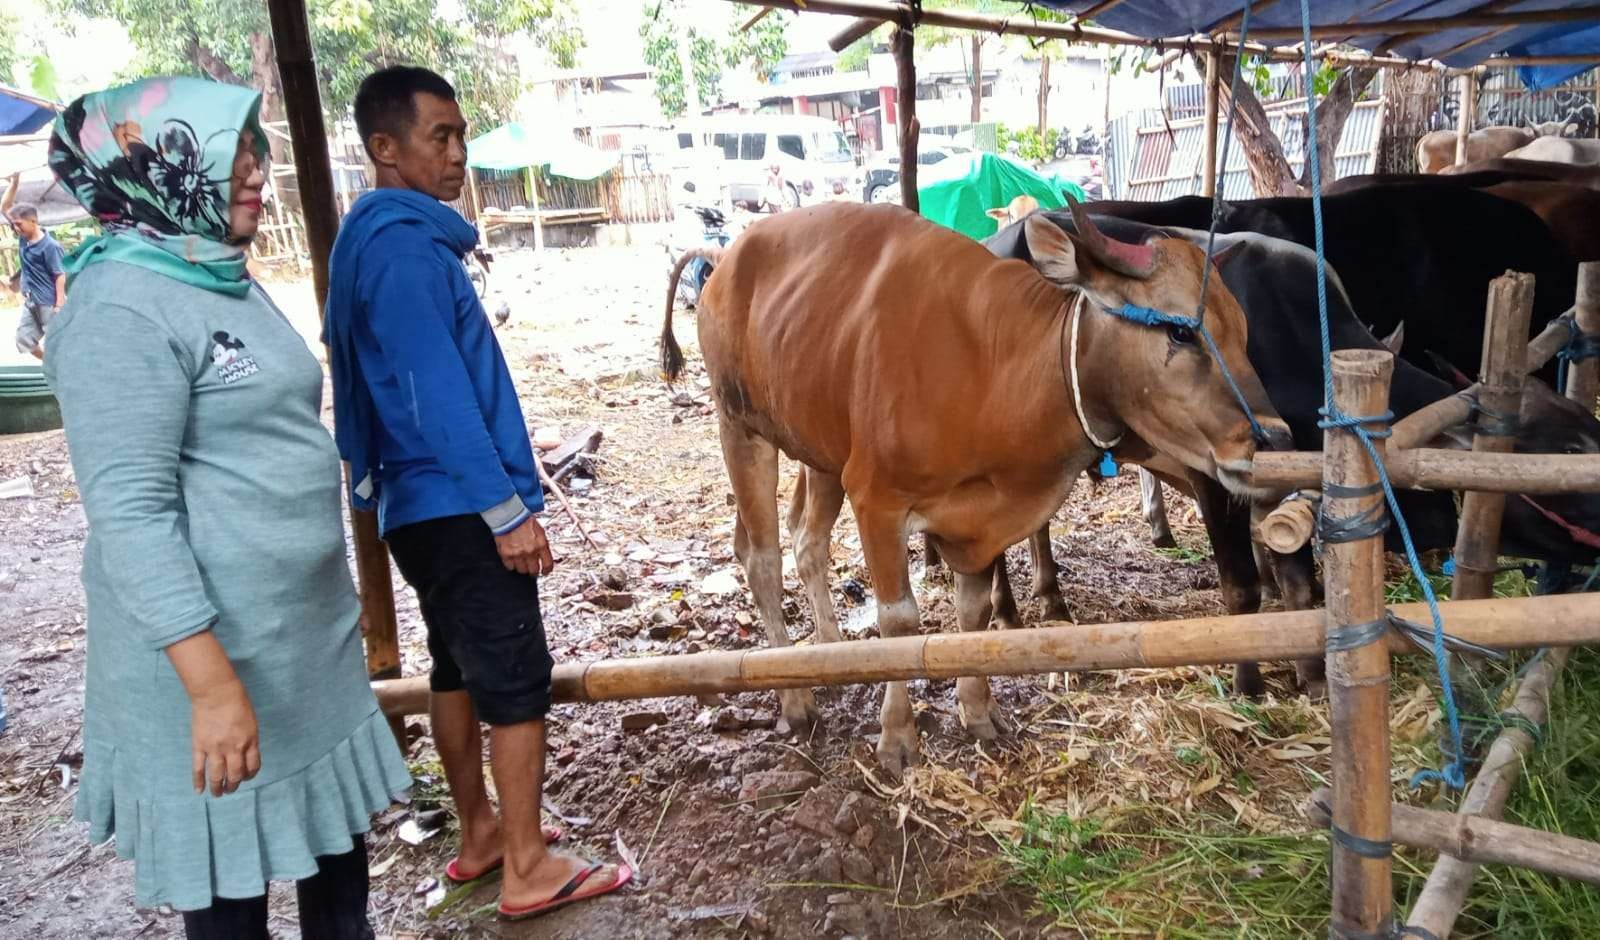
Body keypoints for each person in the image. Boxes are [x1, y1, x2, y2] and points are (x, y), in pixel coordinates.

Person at [43, 76, 411, 938]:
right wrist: (211, 689)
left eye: (254, 148)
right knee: (230, 908)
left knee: (339, 888)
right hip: (211, 667)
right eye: (230, 151)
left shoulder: (215, 274)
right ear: (157, 166)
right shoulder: (119, 310)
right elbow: (130, 514)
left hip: (300, 654)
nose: (257, 169)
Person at [324, 65, 631, 921]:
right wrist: (508, 511)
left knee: (455, 669)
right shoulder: (402, 254)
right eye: (440, 137)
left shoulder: (376, 242)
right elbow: (435, 397)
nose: (458, 154)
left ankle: (482, 835)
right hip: (456, 505)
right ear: (385, 149)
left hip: (418, 508)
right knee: (515, 677)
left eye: (460, 135)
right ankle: (529, 864)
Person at [3, 173, 67, 359]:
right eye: (14, 225)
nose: (16, 228)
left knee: (58, 342)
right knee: (23, 340)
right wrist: (14, 183)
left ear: (33, 221)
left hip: (49, 302)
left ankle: (66, 369)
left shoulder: (50, 246)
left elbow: (59, 275)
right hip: (30, 301)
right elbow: (5, 207)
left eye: (19, 224)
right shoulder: (23, 238)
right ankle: (51, 364)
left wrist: (59, 304)